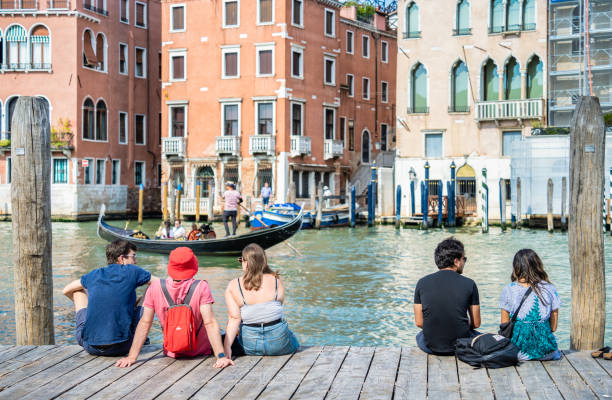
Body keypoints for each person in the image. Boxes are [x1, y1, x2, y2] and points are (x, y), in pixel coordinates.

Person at [116, 247, 234, 369]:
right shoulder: (201, 287)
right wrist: (220, 356)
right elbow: (210, 322)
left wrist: (132, 357)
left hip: (171, 353)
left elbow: (145, 322)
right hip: (199, 352)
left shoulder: (155, 287)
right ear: (193, 265)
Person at [62, 240, 154, 356]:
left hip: (89, 346)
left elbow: (66, 290)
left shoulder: (95, 274)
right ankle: (141, 337)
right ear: (122, 258)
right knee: (152, 289)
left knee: (77, 292)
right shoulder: (132, 270)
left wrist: (93, 306)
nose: (136, 261)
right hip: (122, 346)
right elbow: (160, 284)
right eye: (133, 256)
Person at [223, 243, 299, 357]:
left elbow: (234, 319)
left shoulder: (234, 285)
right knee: (293, 338)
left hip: (250, 346)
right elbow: (279, 306)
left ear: (246, 262)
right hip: (279, 345)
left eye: (241, 260)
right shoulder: (276, 279)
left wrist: (226, 349)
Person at [414, 237, 481, 355]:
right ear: (456, 261)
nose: (464, 262)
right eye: (463, 259)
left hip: (431, 346)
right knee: (477, 335)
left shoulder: (422, 282)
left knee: (420, 335)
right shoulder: (470, 284)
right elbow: (476, 323)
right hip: (460, 345)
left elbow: (419, 322)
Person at [499, 249, 561, 361]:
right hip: (547, 353)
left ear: (516, 267)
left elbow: (504, 326)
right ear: (538, 266)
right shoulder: (550, 288)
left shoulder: (509, 289)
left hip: (518, 353)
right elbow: (553, 327)